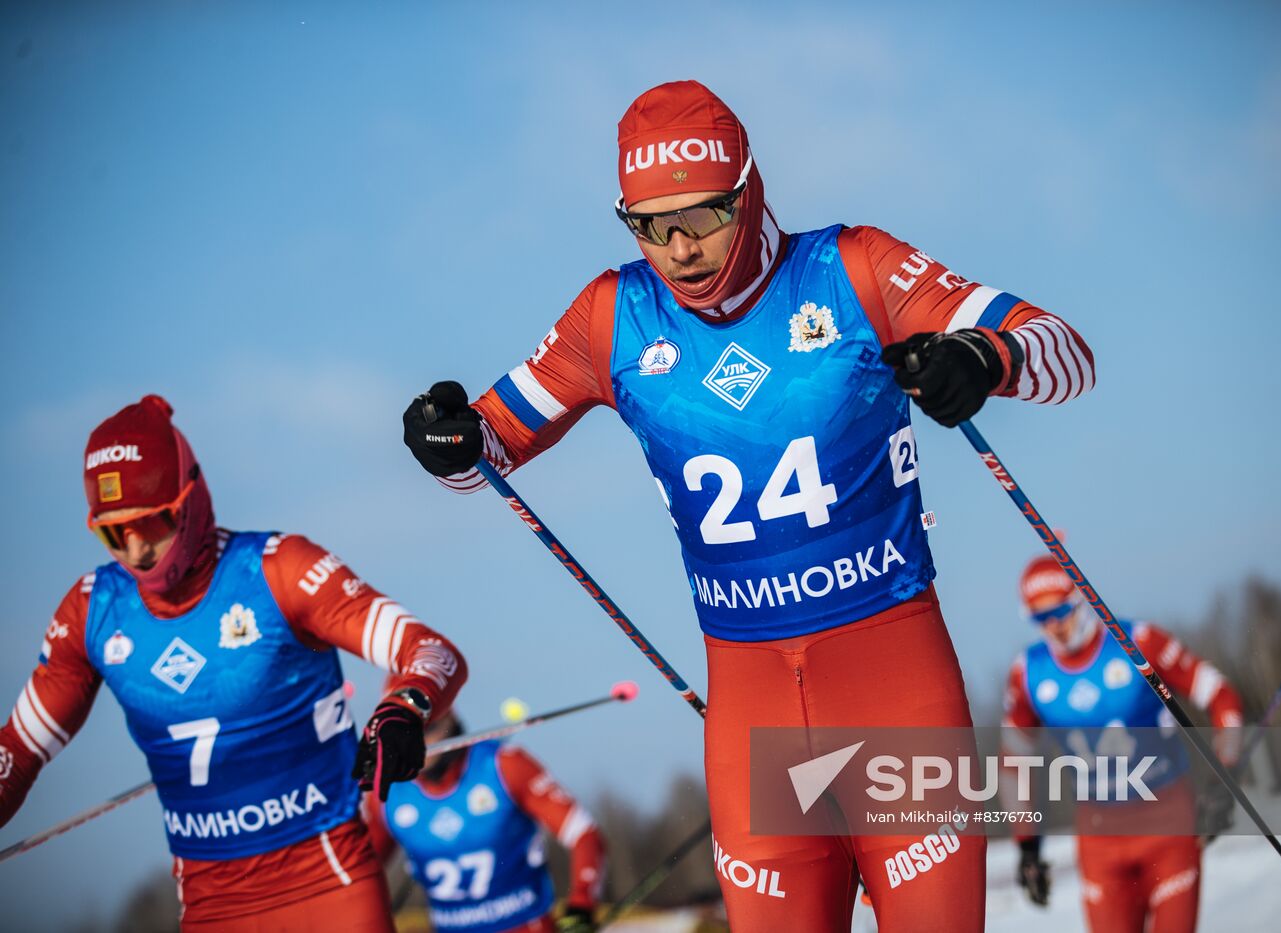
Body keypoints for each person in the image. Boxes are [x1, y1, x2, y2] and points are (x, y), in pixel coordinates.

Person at [401, 80, 1096, 931]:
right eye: (651, 226)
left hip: (893, 687)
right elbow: (489, 452)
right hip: (749, 711)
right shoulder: (613, 316)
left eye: (704, 217)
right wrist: (449, 441)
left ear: (748, 190)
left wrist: (984, 357)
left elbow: (1064, 348)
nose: (681, 247)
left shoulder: (852, 267)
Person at [0, 395, 468, 931]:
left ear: (190, 499)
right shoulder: (93, 611)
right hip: (213, 906)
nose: (134, 550)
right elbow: (17, 750)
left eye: (151, 524)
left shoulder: (280, 570)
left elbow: (429, 650)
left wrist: (404, 708)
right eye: (112, 533)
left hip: (327, 884)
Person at [1002, 554, 1243, 933]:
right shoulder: (1028, 672)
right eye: (1039, 618)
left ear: (1080, 599)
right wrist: (1027, 845)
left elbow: (1221, 697)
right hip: (1100, 841)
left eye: (1061, 611)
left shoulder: (1138, 641)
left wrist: (1225, 776)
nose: (1054, 626)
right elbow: (1014, 760)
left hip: (1169, 826)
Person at [363, 711, 606, 933]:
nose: (416, 742)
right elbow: (357, 871)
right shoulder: (387, 793)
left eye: (428, 729)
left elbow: (584, 834)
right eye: (402, 731)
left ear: (449, 719)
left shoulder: (503, 764)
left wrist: (581, 906)